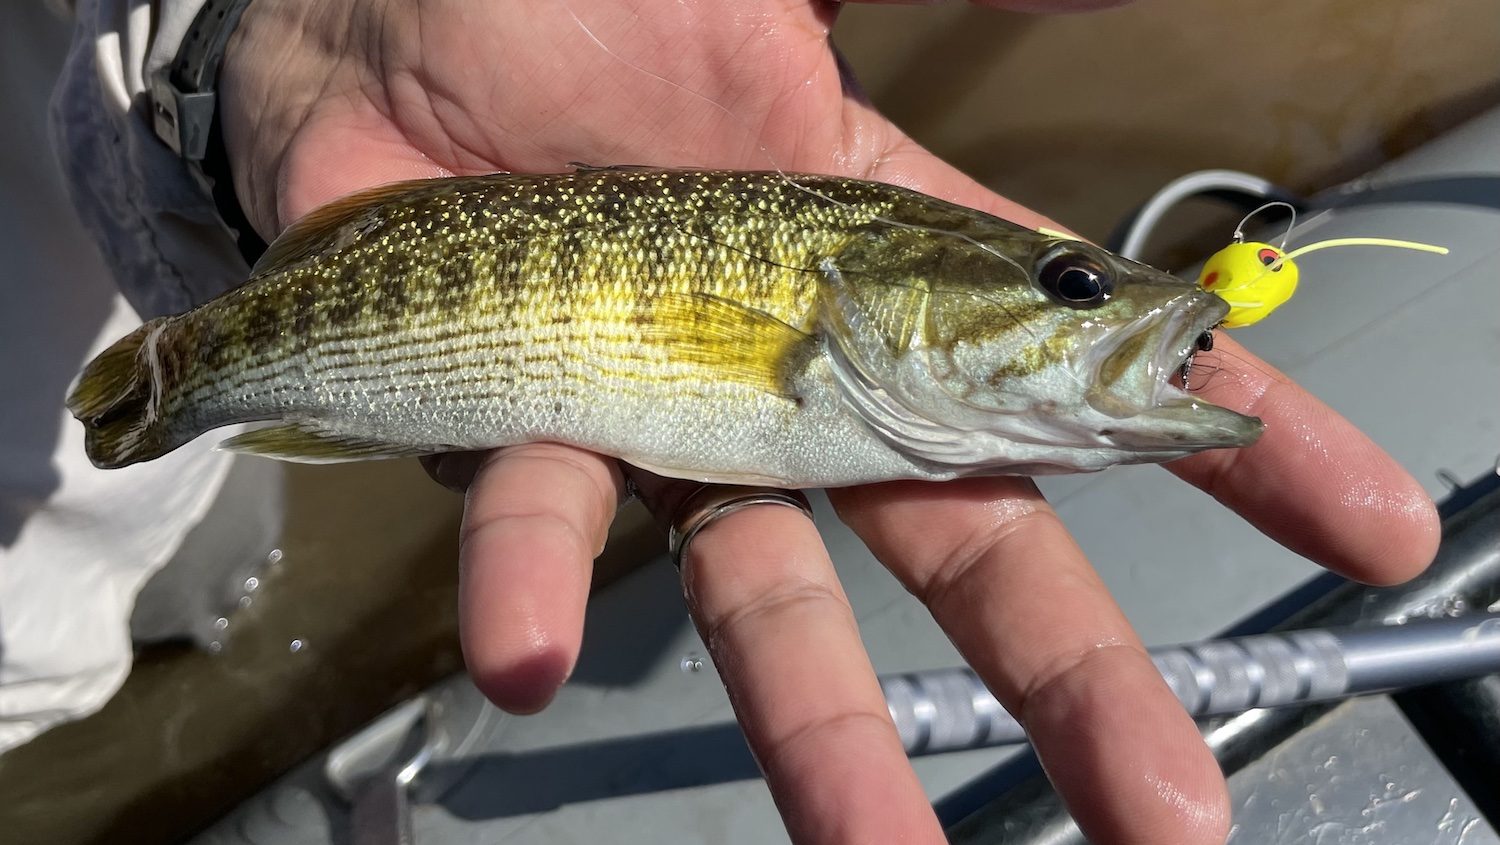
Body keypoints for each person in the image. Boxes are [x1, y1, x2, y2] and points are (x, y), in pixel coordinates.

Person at [55, 0, 1440, 842]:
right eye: (1070, 285)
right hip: (133, 190)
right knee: (44, 631)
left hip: (159, 124)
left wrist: (236, 26)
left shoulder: (876, 327)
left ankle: (163, 492)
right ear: (880, 289)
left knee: (161, 532)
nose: (1097, 295)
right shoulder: (816, 300)